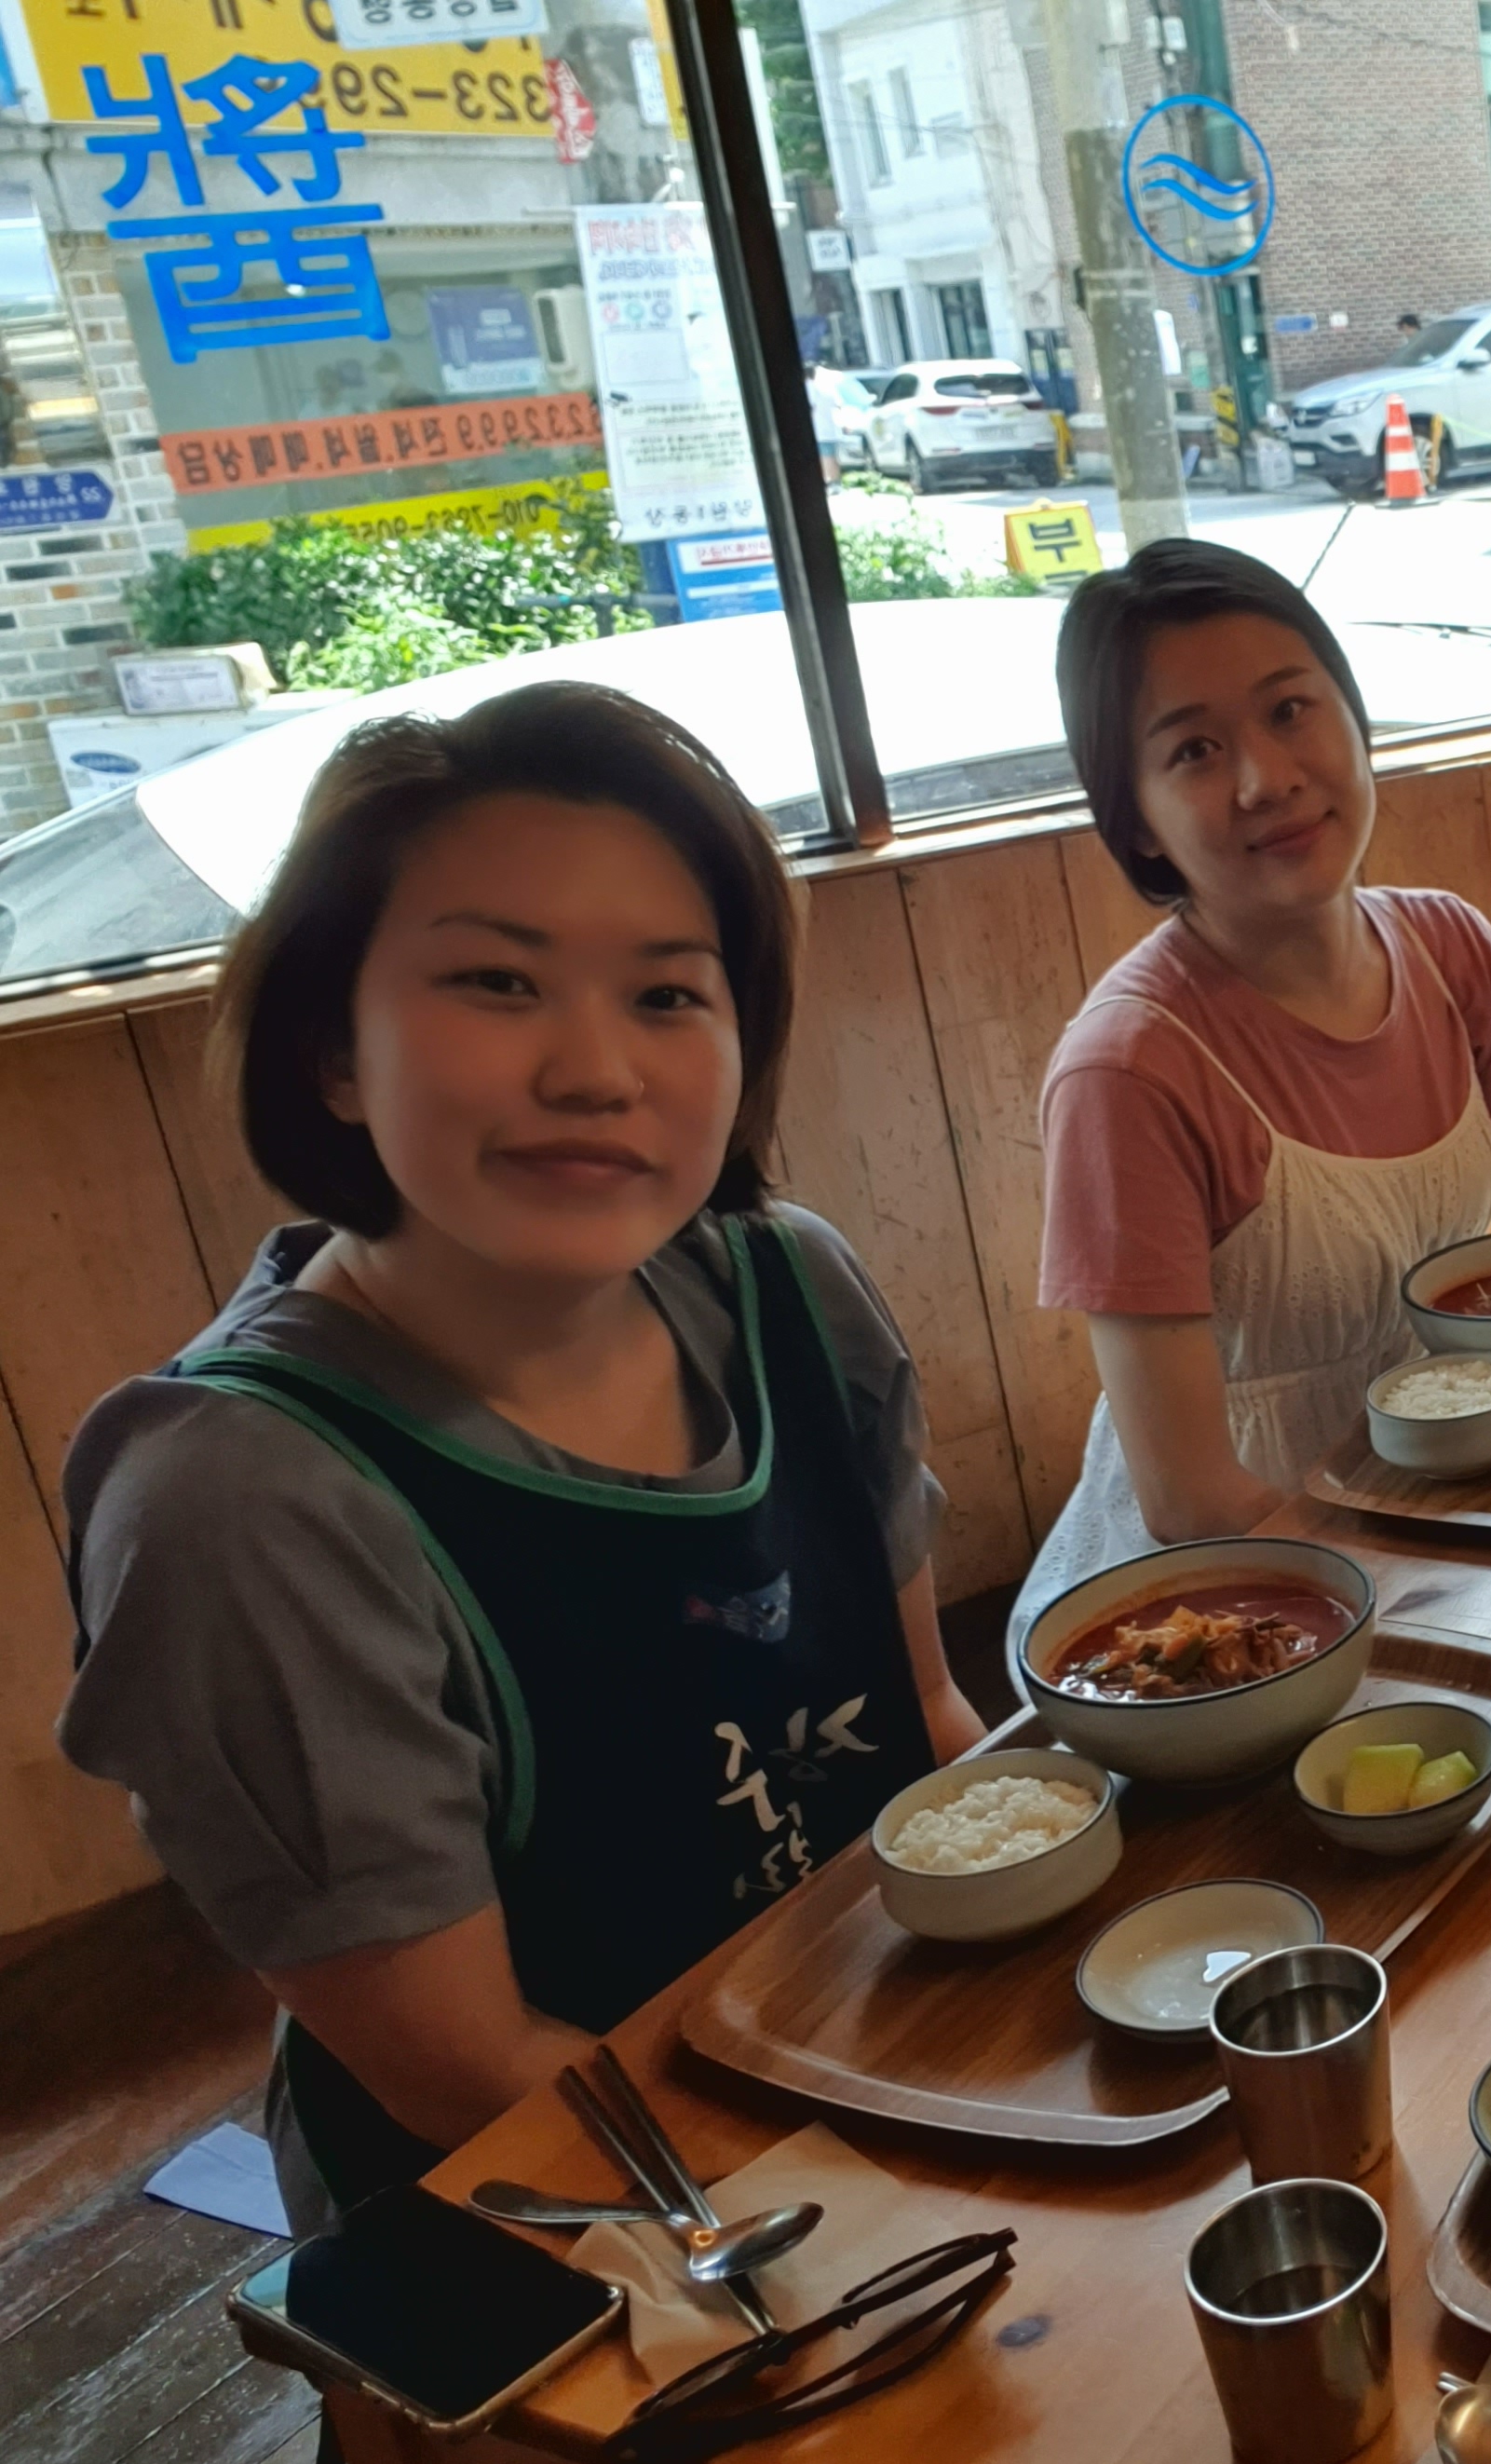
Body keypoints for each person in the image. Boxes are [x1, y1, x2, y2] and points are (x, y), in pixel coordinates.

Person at [56, 685, 987, 2230]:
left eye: (669, 994)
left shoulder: (790, 1287)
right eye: (497, 982)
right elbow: (471, 2073)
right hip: (568, 2218)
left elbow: (929, 1734)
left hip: (886, 2064)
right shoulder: (242, 1497)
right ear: (333, 1050)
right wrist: (906, 2198)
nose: (595, 1071)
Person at [1019, 540, 1491, 1636]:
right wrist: (1429, 1604)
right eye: (1195, 750)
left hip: (1437, 1531)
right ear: (1136, 816)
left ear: (1353, 719)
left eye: (1290, 710)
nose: (1267, 778)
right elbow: (1189, 1502)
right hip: (1231, 1618)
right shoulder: (1130, 1071)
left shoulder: (1448, 950)